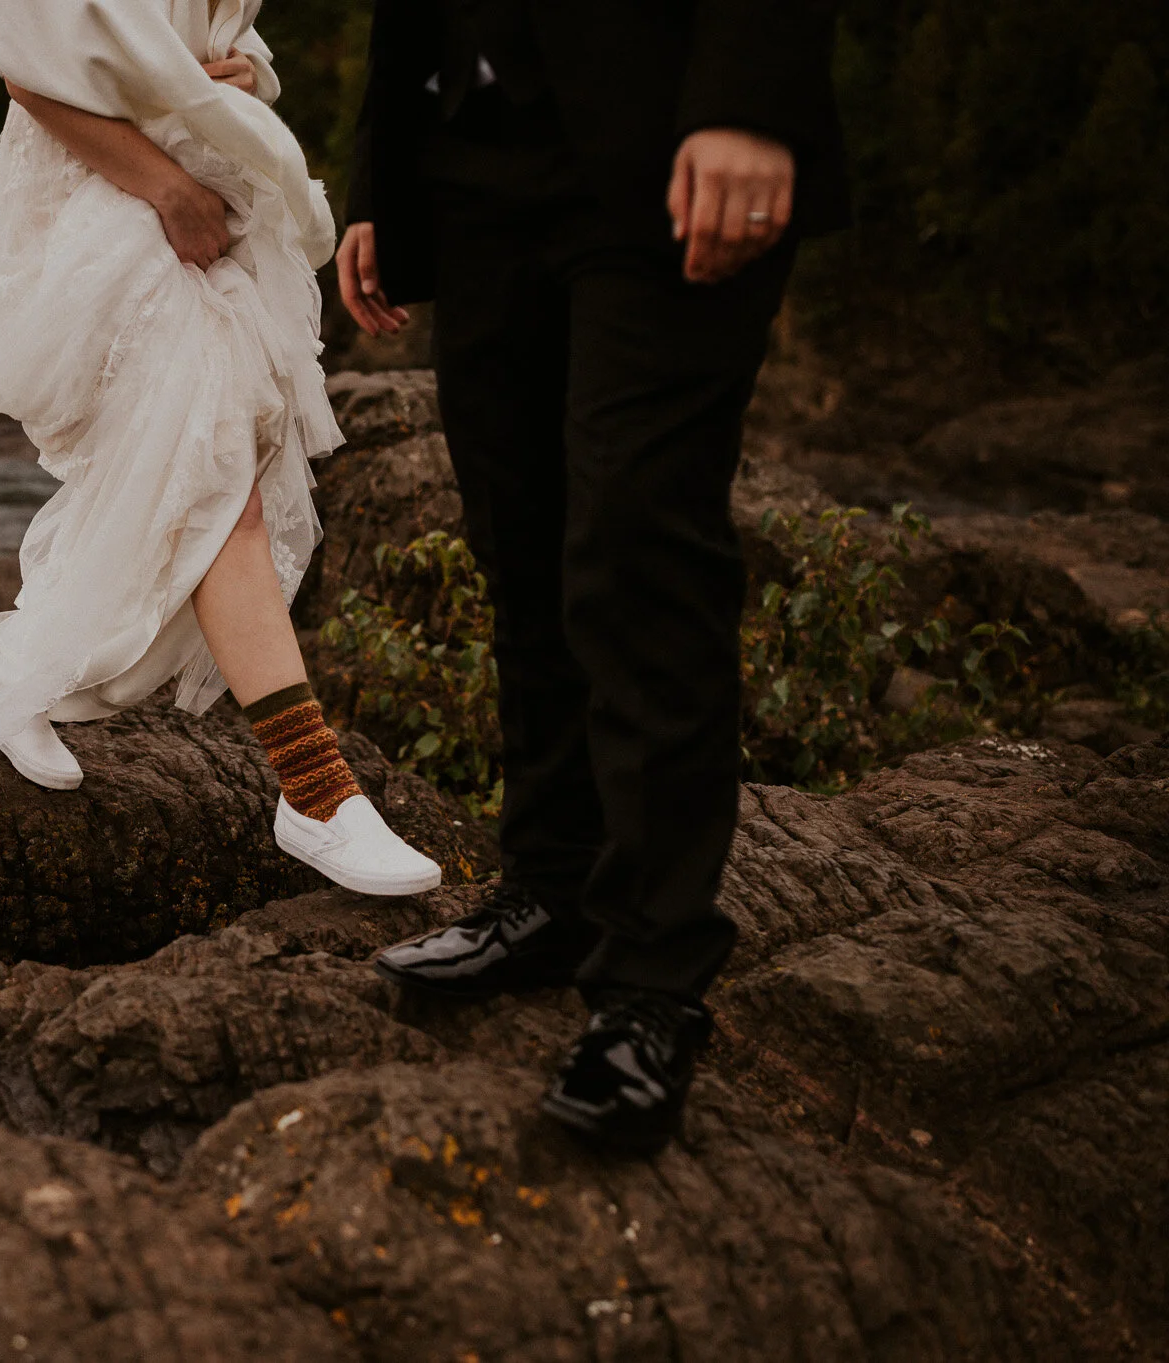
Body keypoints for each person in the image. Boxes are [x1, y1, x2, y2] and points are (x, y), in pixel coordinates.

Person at [340, 0, 847, 1153]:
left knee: (633, 545)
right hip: (470, 159)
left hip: (671, 140)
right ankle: (553, 890)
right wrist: (380, 179)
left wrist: (747, 103)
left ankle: (652, 979)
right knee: (515, 537)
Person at [0, 0, 444, 897]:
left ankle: (17, 678)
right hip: (106, 200)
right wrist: (167, 188)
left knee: (190, 468)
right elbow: (27, 62)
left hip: (202, 187)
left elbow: (220, 37)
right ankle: (318, 792)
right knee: (215, 473)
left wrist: (247, 76)